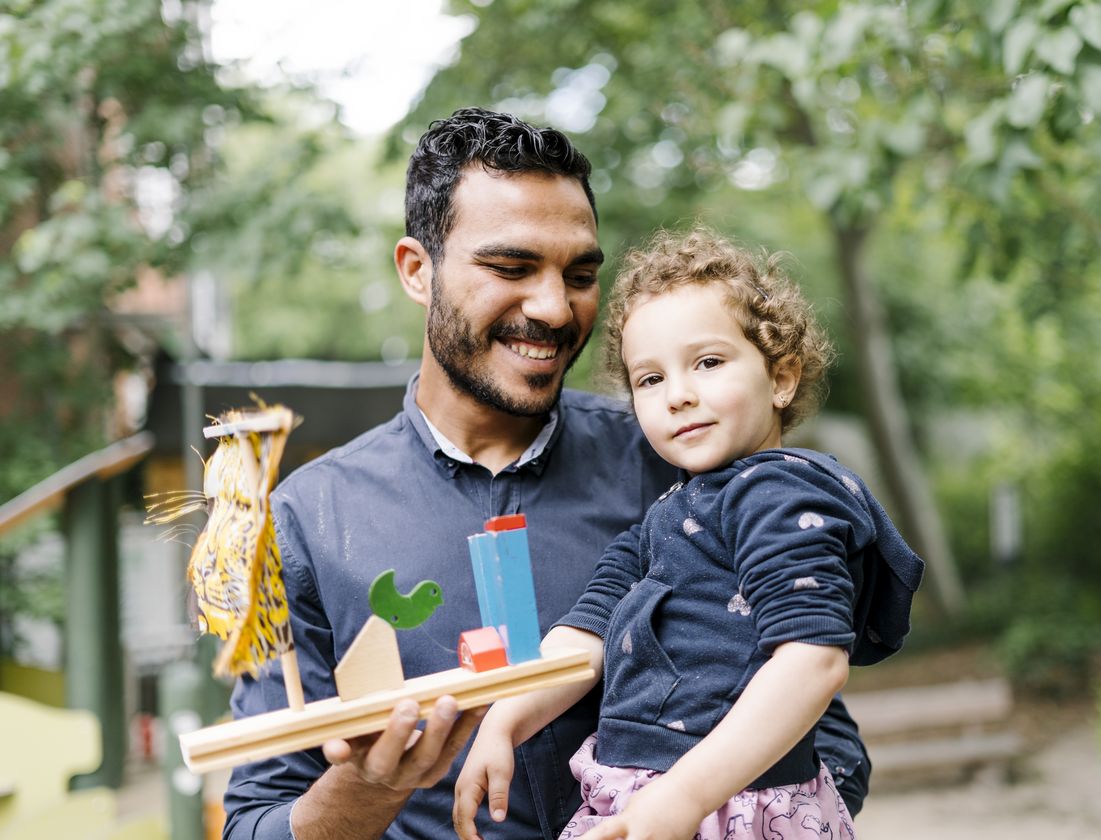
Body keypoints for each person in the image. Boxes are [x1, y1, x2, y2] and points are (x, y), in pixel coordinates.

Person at [222, 109, 873, 840]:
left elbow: (823, 724)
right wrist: (368, 791)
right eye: (511, 268)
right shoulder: (307, 520)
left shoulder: (688, 467)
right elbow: (254, 823)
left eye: (582, 274)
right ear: (417, 269)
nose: (554, 308)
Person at [454, 228, 924, 840]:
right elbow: (585, 637)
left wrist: (684, 796)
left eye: (708, 362)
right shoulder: (666, 515)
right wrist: (506, 720)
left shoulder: (780, 496)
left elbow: (813, 662)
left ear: (781, 377)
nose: (678, 395)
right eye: (649, 379)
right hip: (640, 800)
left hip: (730, 803)